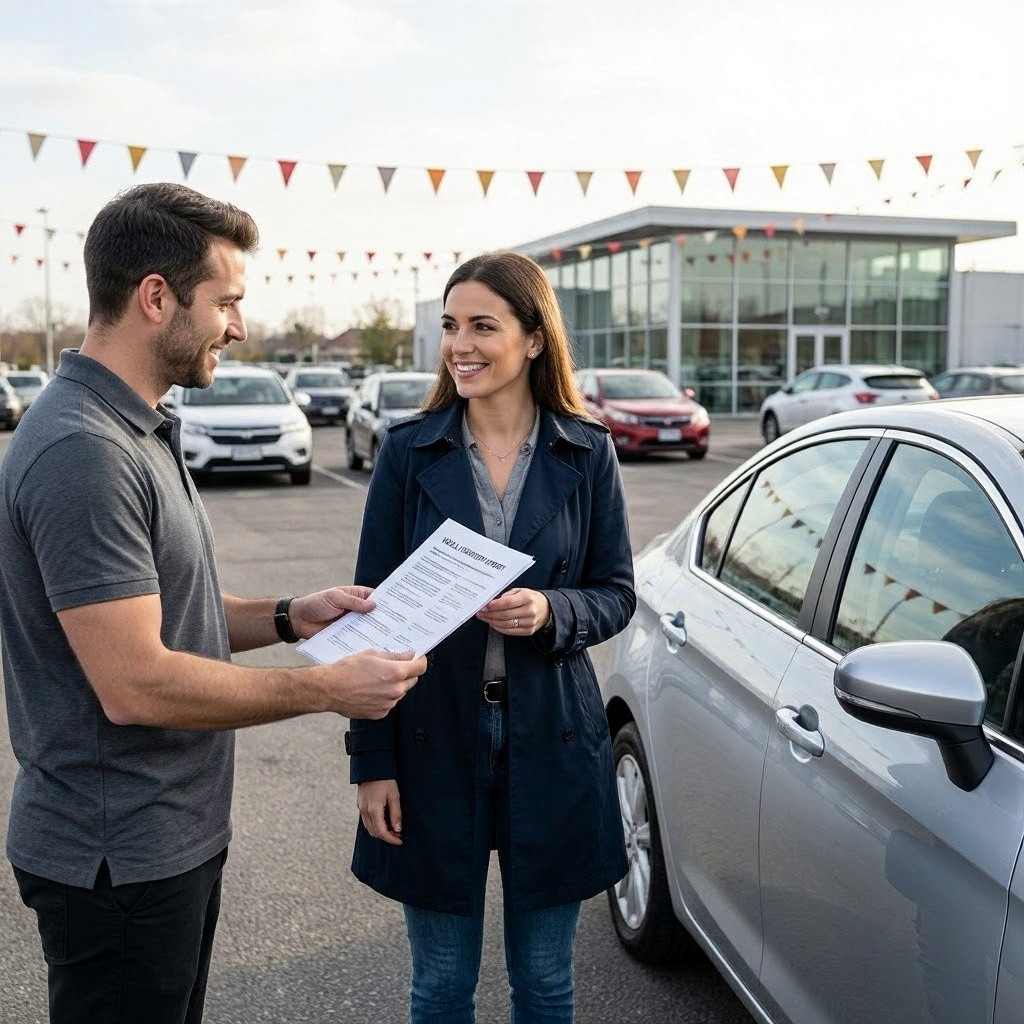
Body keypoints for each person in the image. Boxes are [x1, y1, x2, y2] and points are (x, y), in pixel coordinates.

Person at [0, 182, 426, 1024]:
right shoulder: (84, 451)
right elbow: (136, 683)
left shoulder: (135, 425)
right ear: (155, 296)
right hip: (118, 859)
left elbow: (164, 613)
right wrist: (324, 688)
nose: (238, 326)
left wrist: (290, 615)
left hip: (162, 845)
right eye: (226, 302)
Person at [346, 250, 636, 1022]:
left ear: (534, 339)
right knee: (440, 986)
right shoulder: (410, 452)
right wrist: (371, 765)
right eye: (450, 326)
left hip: (555, 735)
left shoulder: (587, 448)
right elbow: (365, 616)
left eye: (482, 325)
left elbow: (616, 594)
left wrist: (551, 613)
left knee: (545, 983)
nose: (460, 345)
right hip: (430, 734)